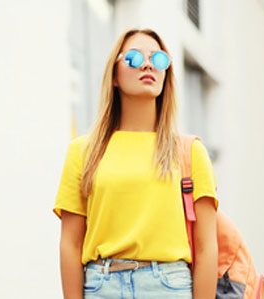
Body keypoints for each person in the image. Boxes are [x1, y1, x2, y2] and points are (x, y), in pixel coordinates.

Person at [53, 28, 219, 299]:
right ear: (114, 75)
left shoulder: (189, 152)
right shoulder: (83, 152)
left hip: (169, 287)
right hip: (100, 286)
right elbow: (70, 244)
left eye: (158, 59)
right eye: (133, 57)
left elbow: (206, 248)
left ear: (167, 74)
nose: (147, 64)